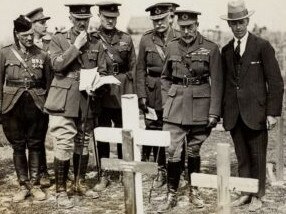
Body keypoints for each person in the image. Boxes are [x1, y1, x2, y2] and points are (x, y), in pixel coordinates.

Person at [220, 0, 284, 211]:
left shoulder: (262, 46)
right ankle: (245, 192)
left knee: (258, 154)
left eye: (241, 22)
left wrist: (272, 113)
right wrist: (222, 111)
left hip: (256, 113)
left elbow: (275, 82)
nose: (238, 26)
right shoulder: (227, 50)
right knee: (242, 155)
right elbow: (224, 83)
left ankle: (258, 195)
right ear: (229, 25)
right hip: (234, 113)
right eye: (234, 23)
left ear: (247, 21)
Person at [158, 10, 223, 212]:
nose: (186, 31)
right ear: (177, 26)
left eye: (190, 27)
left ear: (197, 25)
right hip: (175, 106)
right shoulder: (171, 47)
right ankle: (171, 193)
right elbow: (165, 77)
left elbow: (218, 82)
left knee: (194, 149)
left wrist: (214, 112)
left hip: (200, 106)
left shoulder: (211, 48)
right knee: (172, 150)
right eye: (183, 27)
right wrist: (168, 100)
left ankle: (193, 190)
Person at [44, 3, 107, 208]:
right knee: (63, 142)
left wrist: (97, 85)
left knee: (83, 140)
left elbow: (103, 70)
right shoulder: (58, 38)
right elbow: (56, 65)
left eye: (85, 19)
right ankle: (61, 191)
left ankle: (79, 183)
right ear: (70, 18)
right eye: (78, 19)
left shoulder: (97, 42)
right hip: (63, 97)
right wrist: (76, 46)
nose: (82, 23)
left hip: (86, 98)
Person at [0, 15, 50, 202]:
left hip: (36, 105)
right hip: (12, 105)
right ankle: (23, 185)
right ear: (16, 34)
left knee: (36, 144)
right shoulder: (5, 53)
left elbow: (48, 83)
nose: (29, 38)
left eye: (31, 34)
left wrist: (47, 107)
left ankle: (35, 186)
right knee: (18, 146)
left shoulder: (43, 55)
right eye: (24, 35)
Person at [92, 1, 136, 192]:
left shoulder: (125, 38)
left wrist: (127, 81)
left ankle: (122, 170)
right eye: (106, 18)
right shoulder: (93, 38)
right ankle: (105, 173)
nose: (110, 21)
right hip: (102, 91)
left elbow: (134, 65)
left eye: (113, 18)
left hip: (121, 90)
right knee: (101, 133)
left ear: (117, 17)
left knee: (122, 131)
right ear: (99, 16)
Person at [136, 2, 180, 188]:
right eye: (155, 20)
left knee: (173, 131)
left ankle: (175, 170)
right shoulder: (146, 40)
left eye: (162, 19)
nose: (159, 23)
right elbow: (139, 70)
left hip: (172, 91)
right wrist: (141, 95)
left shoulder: (178, 38)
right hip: (153, 91)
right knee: (153, 129)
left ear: (170, 17)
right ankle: (159, 169)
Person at [26, 7, 51, 188]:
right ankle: (37, 171)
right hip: (28, 96)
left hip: (44, 95)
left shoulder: (48, 43)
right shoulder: (24, 45)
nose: (45, 25)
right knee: (30, 136)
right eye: (41, 23)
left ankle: (42, 171)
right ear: (32, 25)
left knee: (40, 134)